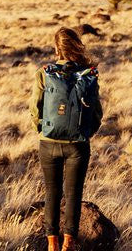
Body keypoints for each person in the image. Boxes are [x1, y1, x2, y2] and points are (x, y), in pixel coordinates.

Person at [30, 27, 103, 251]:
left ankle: (52, 242)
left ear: (56, 48)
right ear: (77, 45)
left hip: (49, 143)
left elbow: (35, 110)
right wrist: (86, 134)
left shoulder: (44, 73)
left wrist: (42, 131)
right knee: (74, 193)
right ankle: (69, 242)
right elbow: (97, 113)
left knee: (52, 192)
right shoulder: (88, 74)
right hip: (78, 145)